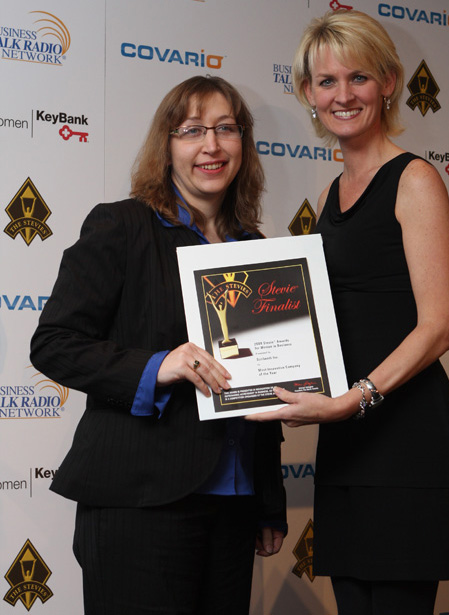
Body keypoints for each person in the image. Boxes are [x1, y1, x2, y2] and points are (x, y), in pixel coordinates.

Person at [30, 75, 286, 615]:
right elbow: (53, 343)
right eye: (192, 130)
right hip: (140, 500)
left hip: (234, 507)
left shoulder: (255, 247)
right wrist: (157, 366)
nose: (211, 145)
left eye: (225, 129)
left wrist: (268, 502)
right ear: (166, 146)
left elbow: (262, 380)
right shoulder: (122, 226)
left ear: (244, 142)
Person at [247, 10, 449, 615]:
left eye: (358, 78)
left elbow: (438, 326)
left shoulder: (415, 178)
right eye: (325, 82)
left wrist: (349, 401)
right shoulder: (327, 193)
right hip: (347, 443)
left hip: (405, 438)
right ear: (308, 95)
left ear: (390, 82)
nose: (342, 95)